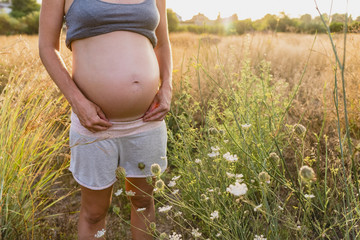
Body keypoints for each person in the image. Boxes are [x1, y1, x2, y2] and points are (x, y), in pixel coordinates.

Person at [38, 0, 172, 238]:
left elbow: (162, 44)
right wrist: (78, 102)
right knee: (94, 213)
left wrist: (167, 87)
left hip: (147, 120)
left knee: (143, 203)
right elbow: (48, 47)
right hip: (94, 123)